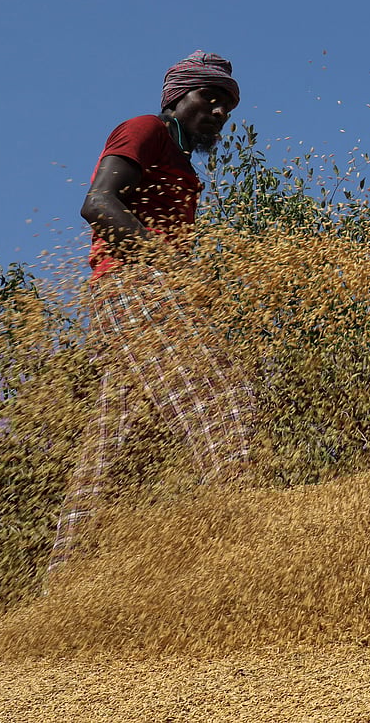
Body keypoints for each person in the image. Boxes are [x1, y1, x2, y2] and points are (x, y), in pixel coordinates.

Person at [47, 50, 258, 576]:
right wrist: (167, 268)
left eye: (226, 106)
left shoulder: (181, 165)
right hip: (135, 287)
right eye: (208, 99)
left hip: (139, 295)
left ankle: (66, 578)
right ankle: (243, 523)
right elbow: (98, 203)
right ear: (175, 99)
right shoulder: (144, 130)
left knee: (115, 450)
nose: (218, 112)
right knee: (222, 395)